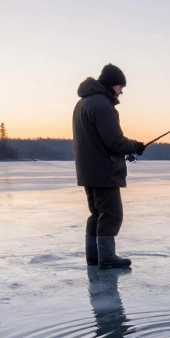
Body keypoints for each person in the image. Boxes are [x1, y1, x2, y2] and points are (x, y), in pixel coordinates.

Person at [73, 64, 146, 269]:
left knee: (97, 213)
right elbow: (114, 142)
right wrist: (135, 146)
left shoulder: (83, 103)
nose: (121, 91)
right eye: (120, 86)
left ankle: (94, 257)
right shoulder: (102, 105)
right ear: (113, 84)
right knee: (111, 214)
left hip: (88, 170)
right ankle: (106, 257)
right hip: (103, 170)